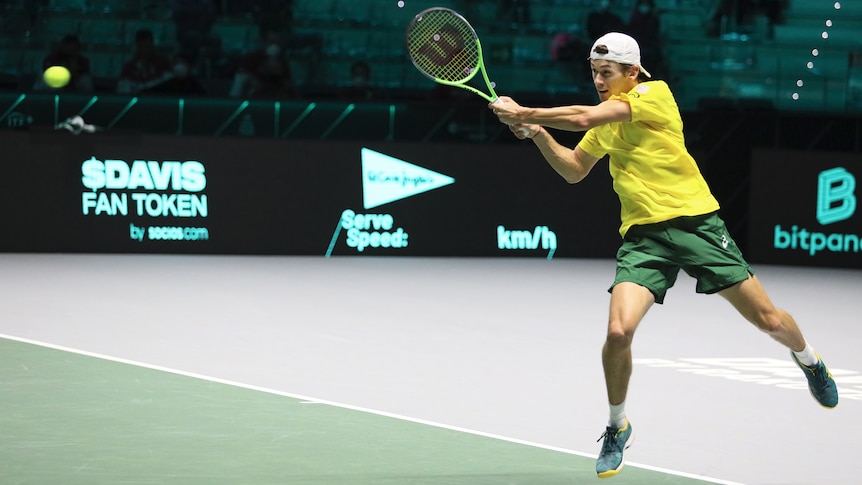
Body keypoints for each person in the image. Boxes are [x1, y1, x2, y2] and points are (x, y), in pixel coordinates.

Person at [489, 32, 838, 479]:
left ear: (632, 72)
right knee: (618, 332)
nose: (598, 80)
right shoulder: (605, 124)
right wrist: (536, 133)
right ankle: (617, 425)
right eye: (594, 72)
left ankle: (810, 361)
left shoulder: (655, 94)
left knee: (769, 320)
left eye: (606, 72)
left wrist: (525, 111)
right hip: (643, 238)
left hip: (697, 225)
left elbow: (581, 119)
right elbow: (575, 170)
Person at [228, 29, 294, 99]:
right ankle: (233, 99)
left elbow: (287, 79)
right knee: (241, 76)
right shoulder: (254, 56)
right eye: (271, 42)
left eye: (277, 43)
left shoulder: (282, 59)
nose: (274, 46)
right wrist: (260, 71)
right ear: (264, 42)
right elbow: (243, 70)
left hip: (275, 87)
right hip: (258, 84)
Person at [117, 29, 175, 94]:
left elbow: (170, 86)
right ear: (137, 45)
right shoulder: (129, 66)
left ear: (152, 44)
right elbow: (122, 89)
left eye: (147, 46)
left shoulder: (163, 63)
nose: (145, 50)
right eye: (142, 46)